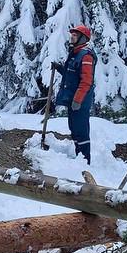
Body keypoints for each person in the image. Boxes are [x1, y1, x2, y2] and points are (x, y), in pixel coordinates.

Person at [53, 24, 96, 163]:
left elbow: (86, 81)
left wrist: (77, 100)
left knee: (80, 129)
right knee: (73, 127)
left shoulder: (86, 56)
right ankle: (79, 157)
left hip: (80, 101)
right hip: (74, 100)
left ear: (83, 38)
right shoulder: (75, 53)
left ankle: (85, 160)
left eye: (76, 35)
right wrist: (60, 68)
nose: (72, 37)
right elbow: (72, 75)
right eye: (72, 34)